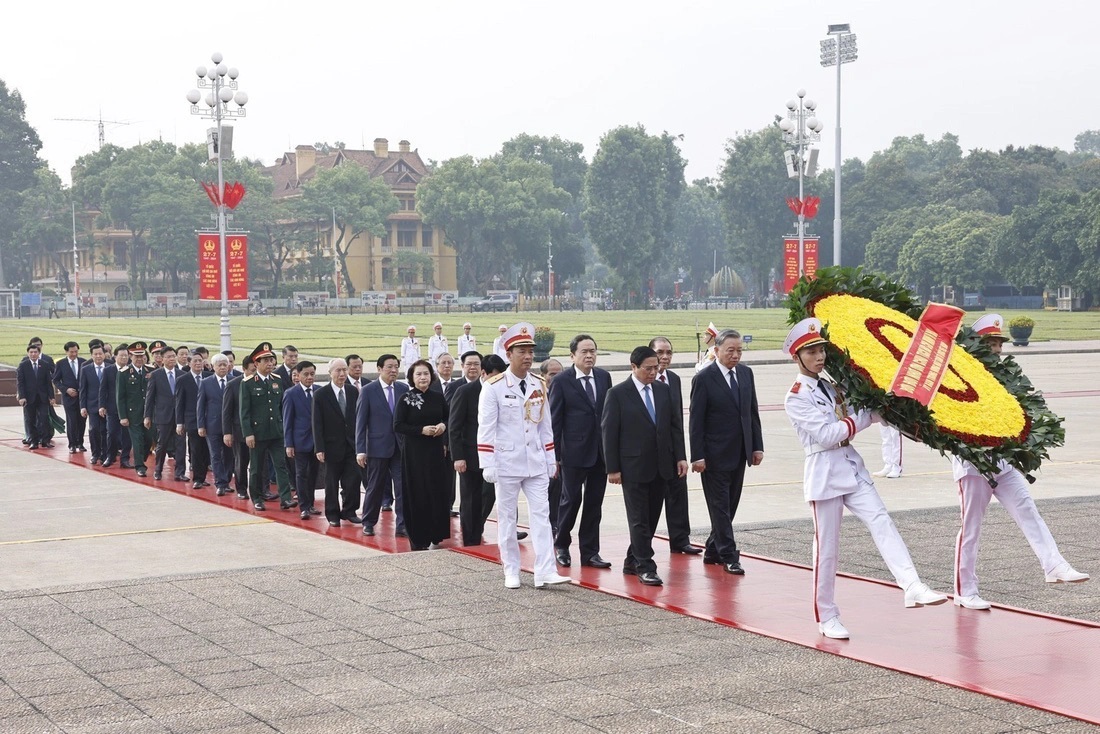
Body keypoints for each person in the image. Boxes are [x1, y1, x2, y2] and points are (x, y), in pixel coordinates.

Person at [782, 317, 947, 640]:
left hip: (851, 467)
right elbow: (828, 434)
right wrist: (862, 418)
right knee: (827, 549)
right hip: (825, 472)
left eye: (821, 350)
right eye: (811, 351)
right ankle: (827, 616)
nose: (819, 357)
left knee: (882, 521)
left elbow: (866, 412)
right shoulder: (796, 396)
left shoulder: (832, 386)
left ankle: (911, 584)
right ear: (796, 357)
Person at [951, 314, 1088, 610]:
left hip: (1002, 459)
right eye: (991, 343)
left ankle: (1054, 565)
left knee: (1028, 509)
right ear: (976, 345)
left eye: (1000, 343)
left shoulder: (1005, 378)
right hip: (973, 463)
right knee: (971, 527)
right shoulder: (960, 376)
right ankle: (965, 590)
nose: (998, 349)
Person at [477, 322, 570, 589]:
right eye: (522, 351)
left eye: (530, 351)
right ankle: (512, 569)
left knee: (542, 516)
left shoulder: (538, 383)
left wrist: (551, 459)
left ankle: (545, 571)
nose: (528, 356)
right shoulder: (493, 386)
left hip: (536, 461)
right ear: (509, 354)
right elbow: (486, 428)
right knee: (508, 518)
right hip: (506, 462)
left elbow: (545, 425)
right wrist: (488, 463)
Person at [603, 346, 689, 586]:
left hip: (662, 465)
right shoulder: (618, 393)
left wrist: (680, 457)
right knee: (639, 518)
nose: (654, 372)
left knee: (651, 518)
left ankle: (632, 560)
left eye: (656, 368)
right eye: (648, 368)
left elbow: (674, 427)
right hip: (633, 467)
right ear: (634, 367)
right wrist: (613, 468)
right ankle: (645, 566)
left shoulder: (663, 391)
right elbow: (609, 433)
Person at [689, 328, 764, 575]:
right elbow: (696, 421)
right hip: (713, 456)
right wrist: (697, 455)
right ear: (717, 350)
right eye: (730, 350)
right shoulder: (704, 378)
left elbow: (751, 412)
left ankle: (712, 549)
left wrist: (756, 446)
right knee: (719, 507)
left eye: (739, 350)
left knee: (730, 506)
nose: (735, 355)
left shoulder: (746, 374)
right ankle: (729, 555)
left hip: (740, 452)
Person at [549, 334, 613, 570]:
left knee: (594, 504)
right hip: (573, 453)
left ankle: (590, 552)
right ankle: (562, 545)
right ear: (572, 355)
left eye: (592, 351)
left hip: (600, 453)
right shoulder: (562, 381)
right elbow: (554, 421)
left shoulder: (604, 377)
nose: (589, 356)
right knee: (570, 500)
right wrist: (554, 457)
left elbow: (608, 416)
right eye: (584, 352)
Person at [650, 336, 700, 554]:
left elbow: (677, 422)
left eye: (669, 353)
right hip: (650, 452)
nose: (665, 357)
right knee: (650, 503)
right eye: (660, 352)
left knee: (678, 495)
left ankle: (680, 539)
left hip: (672, 450)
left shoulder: (674, 379)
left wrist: (681, 455)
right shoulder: (643, 379)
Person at [394, 360, 451, 550]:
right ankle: (418, 536)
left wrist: (443, 426)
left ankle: (436, 532)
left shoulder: (437, 396)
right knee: (417, 492)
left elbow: (447, 416)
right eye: (418, 374)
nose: (423, 377)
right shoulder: (406, 399)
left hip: (435, 451)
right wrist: (421, 430)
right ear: (412, 377)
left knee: (436, 491)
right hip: (414, 454)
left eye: (426, 374)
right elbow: (398, 425)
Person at [239, 342, 297, 512]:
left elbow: (280, 408)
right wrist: (248, 433)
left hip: (276, 432)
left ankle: (285, 498)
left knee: (281, 466)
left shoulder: (277, 381)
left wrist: (284, 429)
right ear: (256, 364)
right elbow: (245, 411)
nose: (270, 363)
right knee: (256, 468)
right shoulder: (248, 383)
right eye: (266, 360)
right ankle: (257, 497)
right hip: (257, 434)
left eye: (271, 360)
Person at [356, 354, 409, 536]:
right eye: (389, 367)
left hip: (400, 447)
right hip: (377, 447)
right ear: (379, 369)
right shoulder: (369, 390)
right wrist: (360, 450)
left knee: (402, 487)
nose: (393, 370)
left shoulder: (403, 389)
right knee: (375, 486)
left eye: (396, 367)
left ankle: (402, 524)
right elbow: (361, 423)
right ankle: (369, 522)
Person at [313, 358, 362, 529]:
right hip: (331, 446)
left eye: (344, 370)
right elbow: (317, 423)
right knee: (331, 482)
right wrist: (319, 447)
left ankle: (350, 510)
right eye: (338, 371)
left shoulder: (353, 391)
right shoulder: (321, 394)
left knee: (353, 479)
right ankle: (333, 514)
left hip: (351, 445)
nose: (342, 374)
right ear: (330, 373)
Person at [283, 361, 321, 519]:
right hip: (299, 441)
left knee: (314, 474)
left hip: (317, 442)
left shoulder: (319, 391)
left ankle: (311, 504)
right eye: (306, 374)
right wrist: (289, 444)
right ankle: (304, 506)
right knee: (301, 474)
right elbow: (287, 420)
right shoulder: (291, 393)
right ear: (298, 375)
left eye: (312, 374)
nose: (309, 377)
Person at [145, 346, 184, 482]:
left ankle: (180, 472)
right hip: (163, 415)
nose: (172, 359)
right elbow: (150, 397)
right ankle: (158, 470)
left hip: (180, 416)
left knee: (180, 445)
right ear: (162, 359)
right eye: (168, 356)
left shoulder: (182, 374)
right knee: (162, 444)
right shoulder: (156, 375)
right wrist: (147, 416)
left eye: (173, 356)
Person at [197, 354, 234, 495]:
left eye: (225, 364)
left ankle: (227, 479)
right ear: (213, 367)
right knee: (215, 455)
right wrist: (201, 425)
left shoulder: (233, 381)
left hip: (229, 426)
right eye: (220, 365)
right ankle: (220, 483)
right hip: (212, 425)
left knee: (229, 455)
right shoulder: (206, 383)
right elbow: (200, 406)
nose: (223, 367)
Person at [117, 342, 154, 476]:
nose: (139, 359)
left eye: (141, 356)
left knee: (148, 439)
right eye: (135, 356)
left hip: (149, 413)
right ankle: (140, 466)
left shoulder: (151, 370)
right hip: (133, 414)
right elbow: (120, 396)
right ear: (130, 357)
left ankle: (141, 458)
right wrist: (123, 416)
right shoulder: (124, 373)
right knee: (137, 440)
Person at [222, 355, 256, 499]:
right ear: (244, 369)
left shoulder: (263, 383)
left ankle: (261, 489)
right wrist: (227, 432)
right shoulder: (233, 384)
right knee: (241, 462)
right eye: (252, 370)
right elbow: (227, 411)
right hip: (239, 430)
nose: (254, 374)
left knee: (260, 463)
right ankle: (241, 489)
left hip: (258, 430)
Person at [175, 353, 211, 489]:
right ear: (189, 363)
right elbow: (179, 403)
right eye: (195, 361)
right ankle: (197, 478)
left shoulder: (208, 377)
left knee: (207, 450)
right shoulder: (183, 380)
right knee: (196, 450)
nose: (198, 363)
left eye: (200, 361)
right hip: (192, 420)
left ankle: (203, 476)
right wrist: (180, 423)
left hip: (208, 420)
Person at [99, 343, 133, 468]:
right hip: (112, 408)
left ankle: (125, 459)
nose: (124, 358)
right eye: (121, 356)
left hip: (128, 409)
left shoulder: (131, 370)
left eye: (126, 356)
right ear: (115, 356)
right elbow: (103, 390)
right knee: (112, 433)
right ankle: (110, 456)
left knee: (127, 436)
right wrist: (102, 405)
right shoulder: (108, 370)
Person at [16, 341, 54, 450]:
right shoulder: (23, 365)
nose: (33, 354)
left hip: (42, 397)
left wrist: (51, 397)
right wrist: (22, 396)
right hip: (29, 398)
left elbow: (48, 382)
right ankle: (33, 441)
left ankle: (45, 441)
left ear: (39, 353)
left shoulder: (44, 364)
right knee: (30, 420)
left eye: (35, 352)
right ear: (28, 353)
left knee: (44, 418)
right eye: (31, 352)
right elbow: (20, 382)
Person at [78, 340, 109, 465]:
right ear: (92, 355)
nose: (98, 356)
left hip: (108, 405)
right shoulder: (86, 369)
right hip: (92, 405)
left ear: (104, 354)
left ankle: (106, 454)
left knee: (106, 431)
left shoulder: (110, 366)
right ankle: (95, 454)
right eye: (95, 354)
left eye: (100, 353)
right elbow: (83, 389)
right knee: (94, 429)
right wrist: (83, 406)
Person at [54, 340, 87, 453]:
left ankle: (80, 443)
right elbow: (56, 380)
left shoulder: (84, 362)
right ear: (66, 352)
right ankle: (72, 444)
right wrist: (66, 390)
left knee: (82, 421)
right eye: (71, 352)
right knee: (72, 421)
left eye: (76, 351)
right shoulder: (61, 364)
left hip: (82, 398)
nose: (74, 354)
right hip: (69, 398)